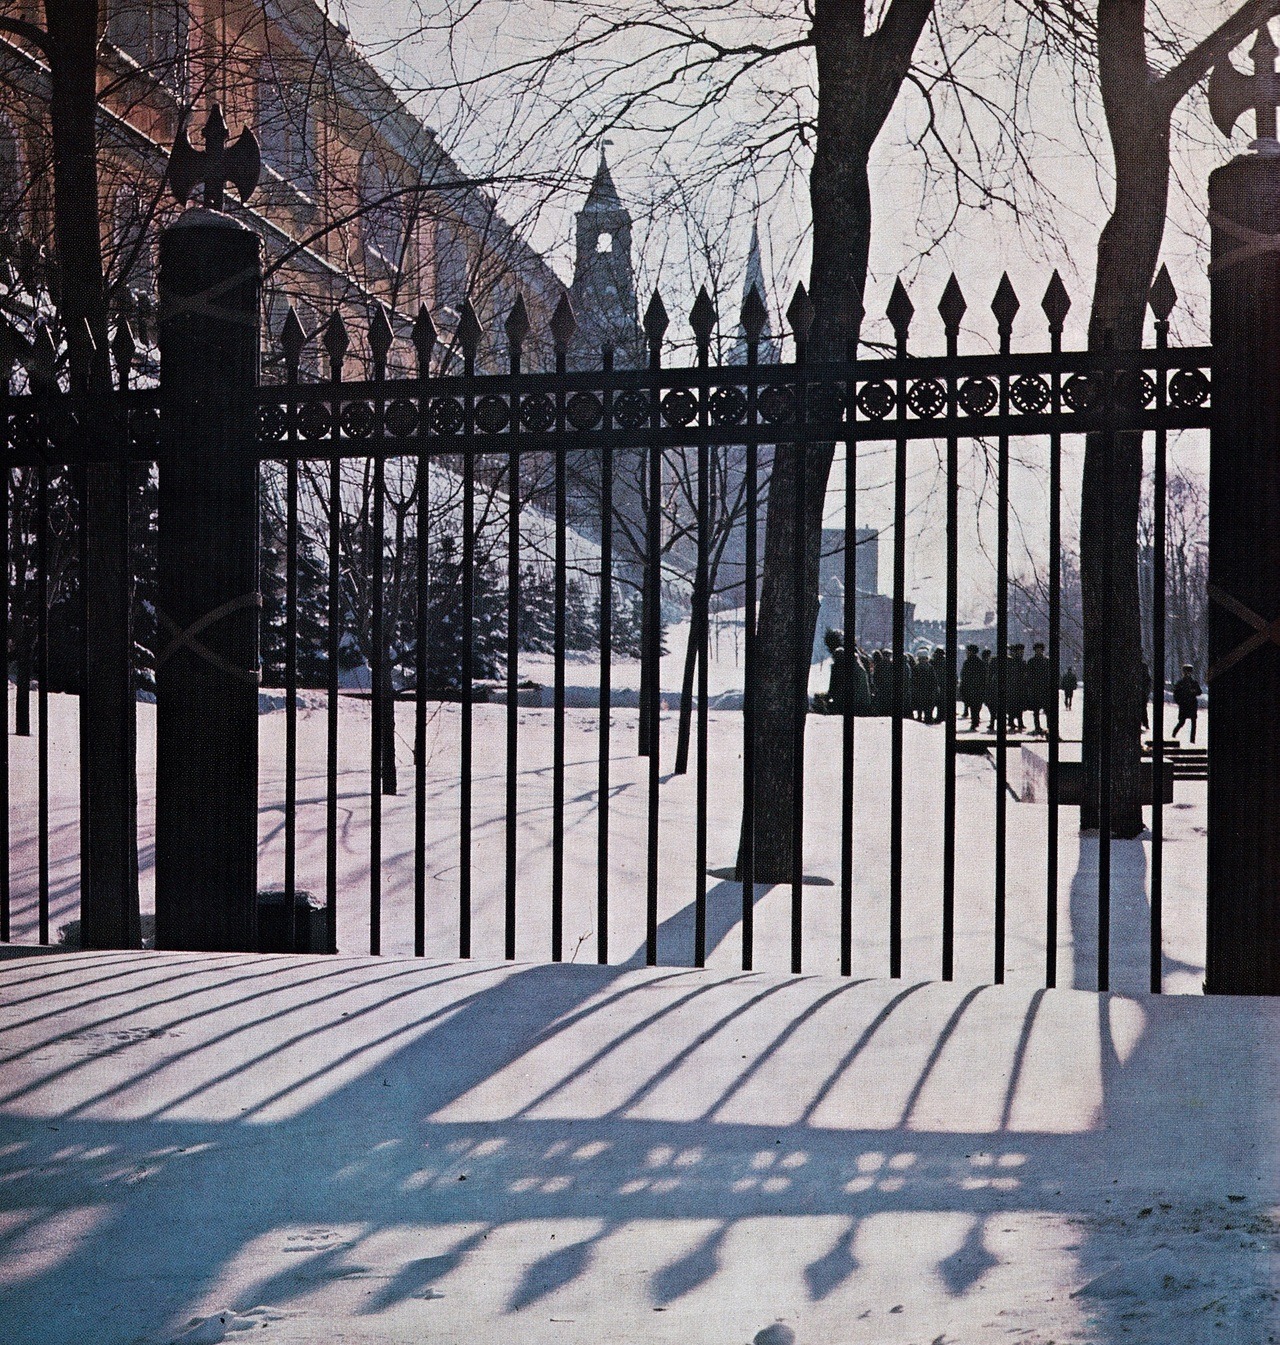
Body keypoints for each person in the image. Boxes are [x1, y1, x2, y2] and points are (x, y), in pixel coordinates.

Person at [1026, 641, 1053, 735]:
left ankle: (1050, 726)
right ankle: (1037, 726)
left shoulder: (1047, 661)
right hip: (1035, 689)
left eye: (1040, 650)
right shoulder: (1031, 661)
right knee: (1036, 710)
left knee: (1048, 710)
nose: (1038, 651)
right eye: (1037, 650)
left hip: (1045, 689)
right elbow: (1028, 675)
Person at [1172, 664, 1203, 742]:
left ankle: (1192, 740)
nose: (1188, 674)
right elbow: (1176, 694)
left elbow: (1199, 692)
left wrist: (1194, 692)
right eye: (1186, 672)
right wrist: (1179, 702)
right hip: (1184, 705)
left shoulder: (1193, 682)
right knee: (1182, 722)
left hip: (1192, 704)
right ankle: (1174, 734)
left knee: (1193, 723)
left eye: (1189, 672)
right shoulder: (1180, 683)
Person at [959, 644, 985, 731]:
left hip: (970, 688)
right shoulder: (980, 662)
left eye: (967, 651)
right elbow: (984, 676)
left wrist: (963, 686)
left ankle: (974, 721)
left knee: (972, 706)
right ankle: (975, 720)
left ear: (970, 652)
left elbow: (964, 675)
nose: (966, 653)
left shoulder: (967, 662)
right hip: (978, 688)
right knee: (977, 705)